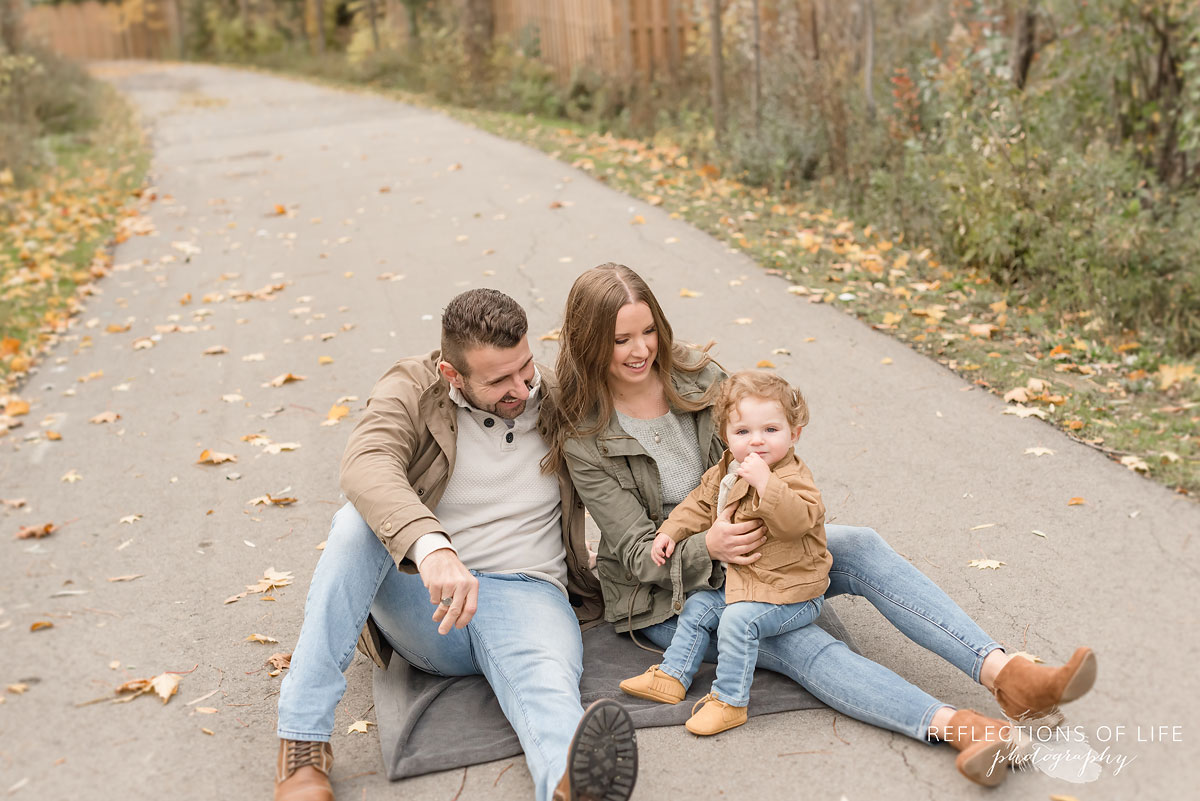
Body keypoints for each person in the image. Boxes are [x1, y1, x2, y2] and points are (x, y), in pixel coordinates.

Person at [545, 263, 1098, 787]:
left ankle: (1008, 675)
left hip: (763, 545)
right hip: (673, 592)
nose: (640, 349)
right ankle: (962, 728)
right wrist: (709, 546)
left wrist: (782, 517)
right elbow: (641, 554)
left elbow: (764, 452)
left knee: (859, 545)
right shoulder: (585, 435)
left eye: (648, 332)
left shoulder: (696, 377)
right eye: (620, 340)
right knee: (804, 642)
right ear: (591, 343)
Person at [273, 288, 638, 801]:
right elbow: (366, 463)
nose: (521, 387)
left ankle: (568, 782)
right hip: (429, 604)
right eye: (499, 380)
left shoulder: (555, 394)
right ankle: (303, 744)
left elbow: (650, 397)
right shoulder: (413, 387)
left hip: (529, 593)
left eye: (525, 367)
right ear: (452, 374)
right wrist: (431, 545)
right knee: (355, 524)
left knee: (548, 686)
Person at [620, 371, 830, 737]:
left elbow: (797, 522)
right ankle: (673, 676)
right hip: (750, 582)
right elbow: (699, 504)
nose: (757, 442)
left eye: (770, 430)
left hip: (793, 591)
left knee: (738, 622)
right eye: (743, 432)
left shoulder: (793, 477)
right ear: (726, 437)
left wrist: (768, 483)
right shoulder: (728, 470)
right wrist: (670, 530)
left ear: (793, 433)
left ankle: (730, 701)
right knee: (699, 606)